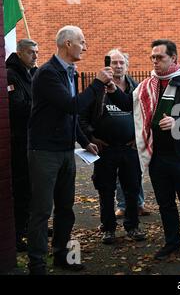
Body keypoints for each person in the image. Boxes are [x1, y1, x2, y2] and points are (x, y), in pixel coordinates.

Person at [106, 39, 180, 261]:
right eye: (152, 57)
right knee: (165, 204)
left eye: (160, 57)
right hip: (156, 155)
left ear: (173, 58)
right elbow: (128, 105)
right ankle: (172, 244)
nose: (155, 61)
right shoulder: (146, 85)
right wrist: (114, 90)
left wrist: (177, 121)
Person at [27, 25, 112, 275]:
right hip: (44, 152)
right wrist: (97, 84)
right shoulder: (48, 73)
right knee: (42, 210)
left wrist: (84, 141)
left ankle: (61, 256)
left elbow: (68, 117)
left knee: (66, 208)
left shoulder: (70, 72)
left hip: (66, 151)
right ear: (67, 44)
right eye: (82, 42)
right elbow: (72, 106)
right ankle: (36, 264)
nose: (85, 47)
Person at [79, 49, 146, 244]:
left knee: (132, 190)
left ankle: (132, 226)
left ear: (127, 65)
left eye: (121, 62)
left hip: (129, 148)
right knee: (105, 190)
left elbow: (145, 116)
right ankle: (108, 229)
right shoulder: (97, 89)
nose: (118, 66)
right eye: (114, 62)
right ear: (108, 65)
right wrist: (90, 137)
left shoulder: (136, 89)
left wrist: (139, 137)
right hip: (105, 150)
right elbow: (81, 116)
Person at [6, 39, 39, 252]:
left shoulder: (33, 74)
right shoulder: (11, 75)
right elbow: (17, 107)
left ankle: (30, 228)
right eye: (30, 52)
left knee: (34, 189)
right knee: (21, 189)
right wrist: (41, 105)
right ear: (19, 53)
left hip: (32, 140)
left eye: (36, 52)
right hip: (18, 142)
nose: (35, 56)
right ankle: (18, 235)